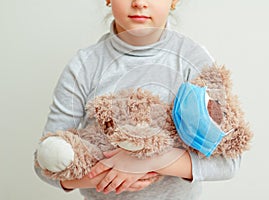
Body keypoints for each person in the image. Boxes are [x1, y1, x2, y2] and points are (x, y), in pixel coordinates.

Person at [34, 0, 241, 199]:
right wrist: (109, 175)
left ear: (174, 1)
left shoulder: (193, 59)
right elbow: (44, 162)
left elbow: (228, 161)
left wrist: (151, 161)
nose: (139, 2)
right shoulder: (83, 66)